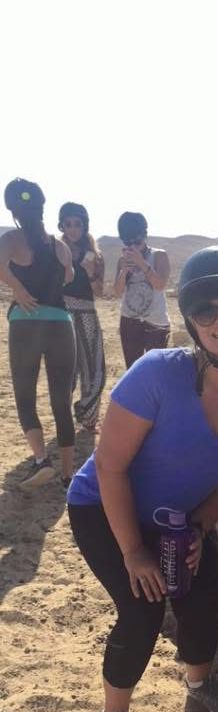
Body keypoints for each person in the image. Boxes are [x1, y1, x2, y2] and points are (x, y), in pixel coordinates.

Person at [67, 245, 218, 712]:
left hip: (180, 518)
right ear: (191, 321)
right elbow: (110, 466)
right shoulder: (156, 375)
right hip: (103, 506)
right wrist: (133, 552)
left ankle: (200, 682)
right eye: (206, 310)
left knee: (203, 599)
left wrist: (199, 531)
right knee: (142, 608)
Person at [0, 179, 76, 489]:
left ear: (13, 211)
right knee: (61, 399)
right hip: (61, 323)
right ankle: (68, 474)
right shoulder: (60, 246)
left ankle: (42, 460)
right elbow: (68, 277)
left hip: (26, 322)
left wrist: (18, 288)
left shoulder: (11, 239)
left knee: (25, 396)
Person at [59, 202, 106, 432]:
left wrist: (90, 273)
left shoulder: (95, 255)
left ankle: (87, 416)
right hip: (61, 314)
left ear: (84, 225)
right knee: (65, 369)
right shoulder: (56, 251)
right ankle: (63, 418)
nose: (73, 229)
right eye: (68, 224)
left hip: (87, 313)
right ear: (62, 226)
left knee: (95, 369)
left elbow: (99, 292)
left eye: (77, 224)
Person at [114, 212, 171, 368]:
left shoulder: (159, 255)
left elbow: (160, 285)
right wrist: (124, 271)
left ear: (145, 236)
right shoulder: (122, 260)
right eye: (127, 243)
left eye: (137, 242)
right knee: (134, 370)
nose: (132, 247)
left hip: (156, 323)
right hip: (129, 322)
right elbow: (117, 291)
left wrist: (142, 263)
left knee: (156, 370)